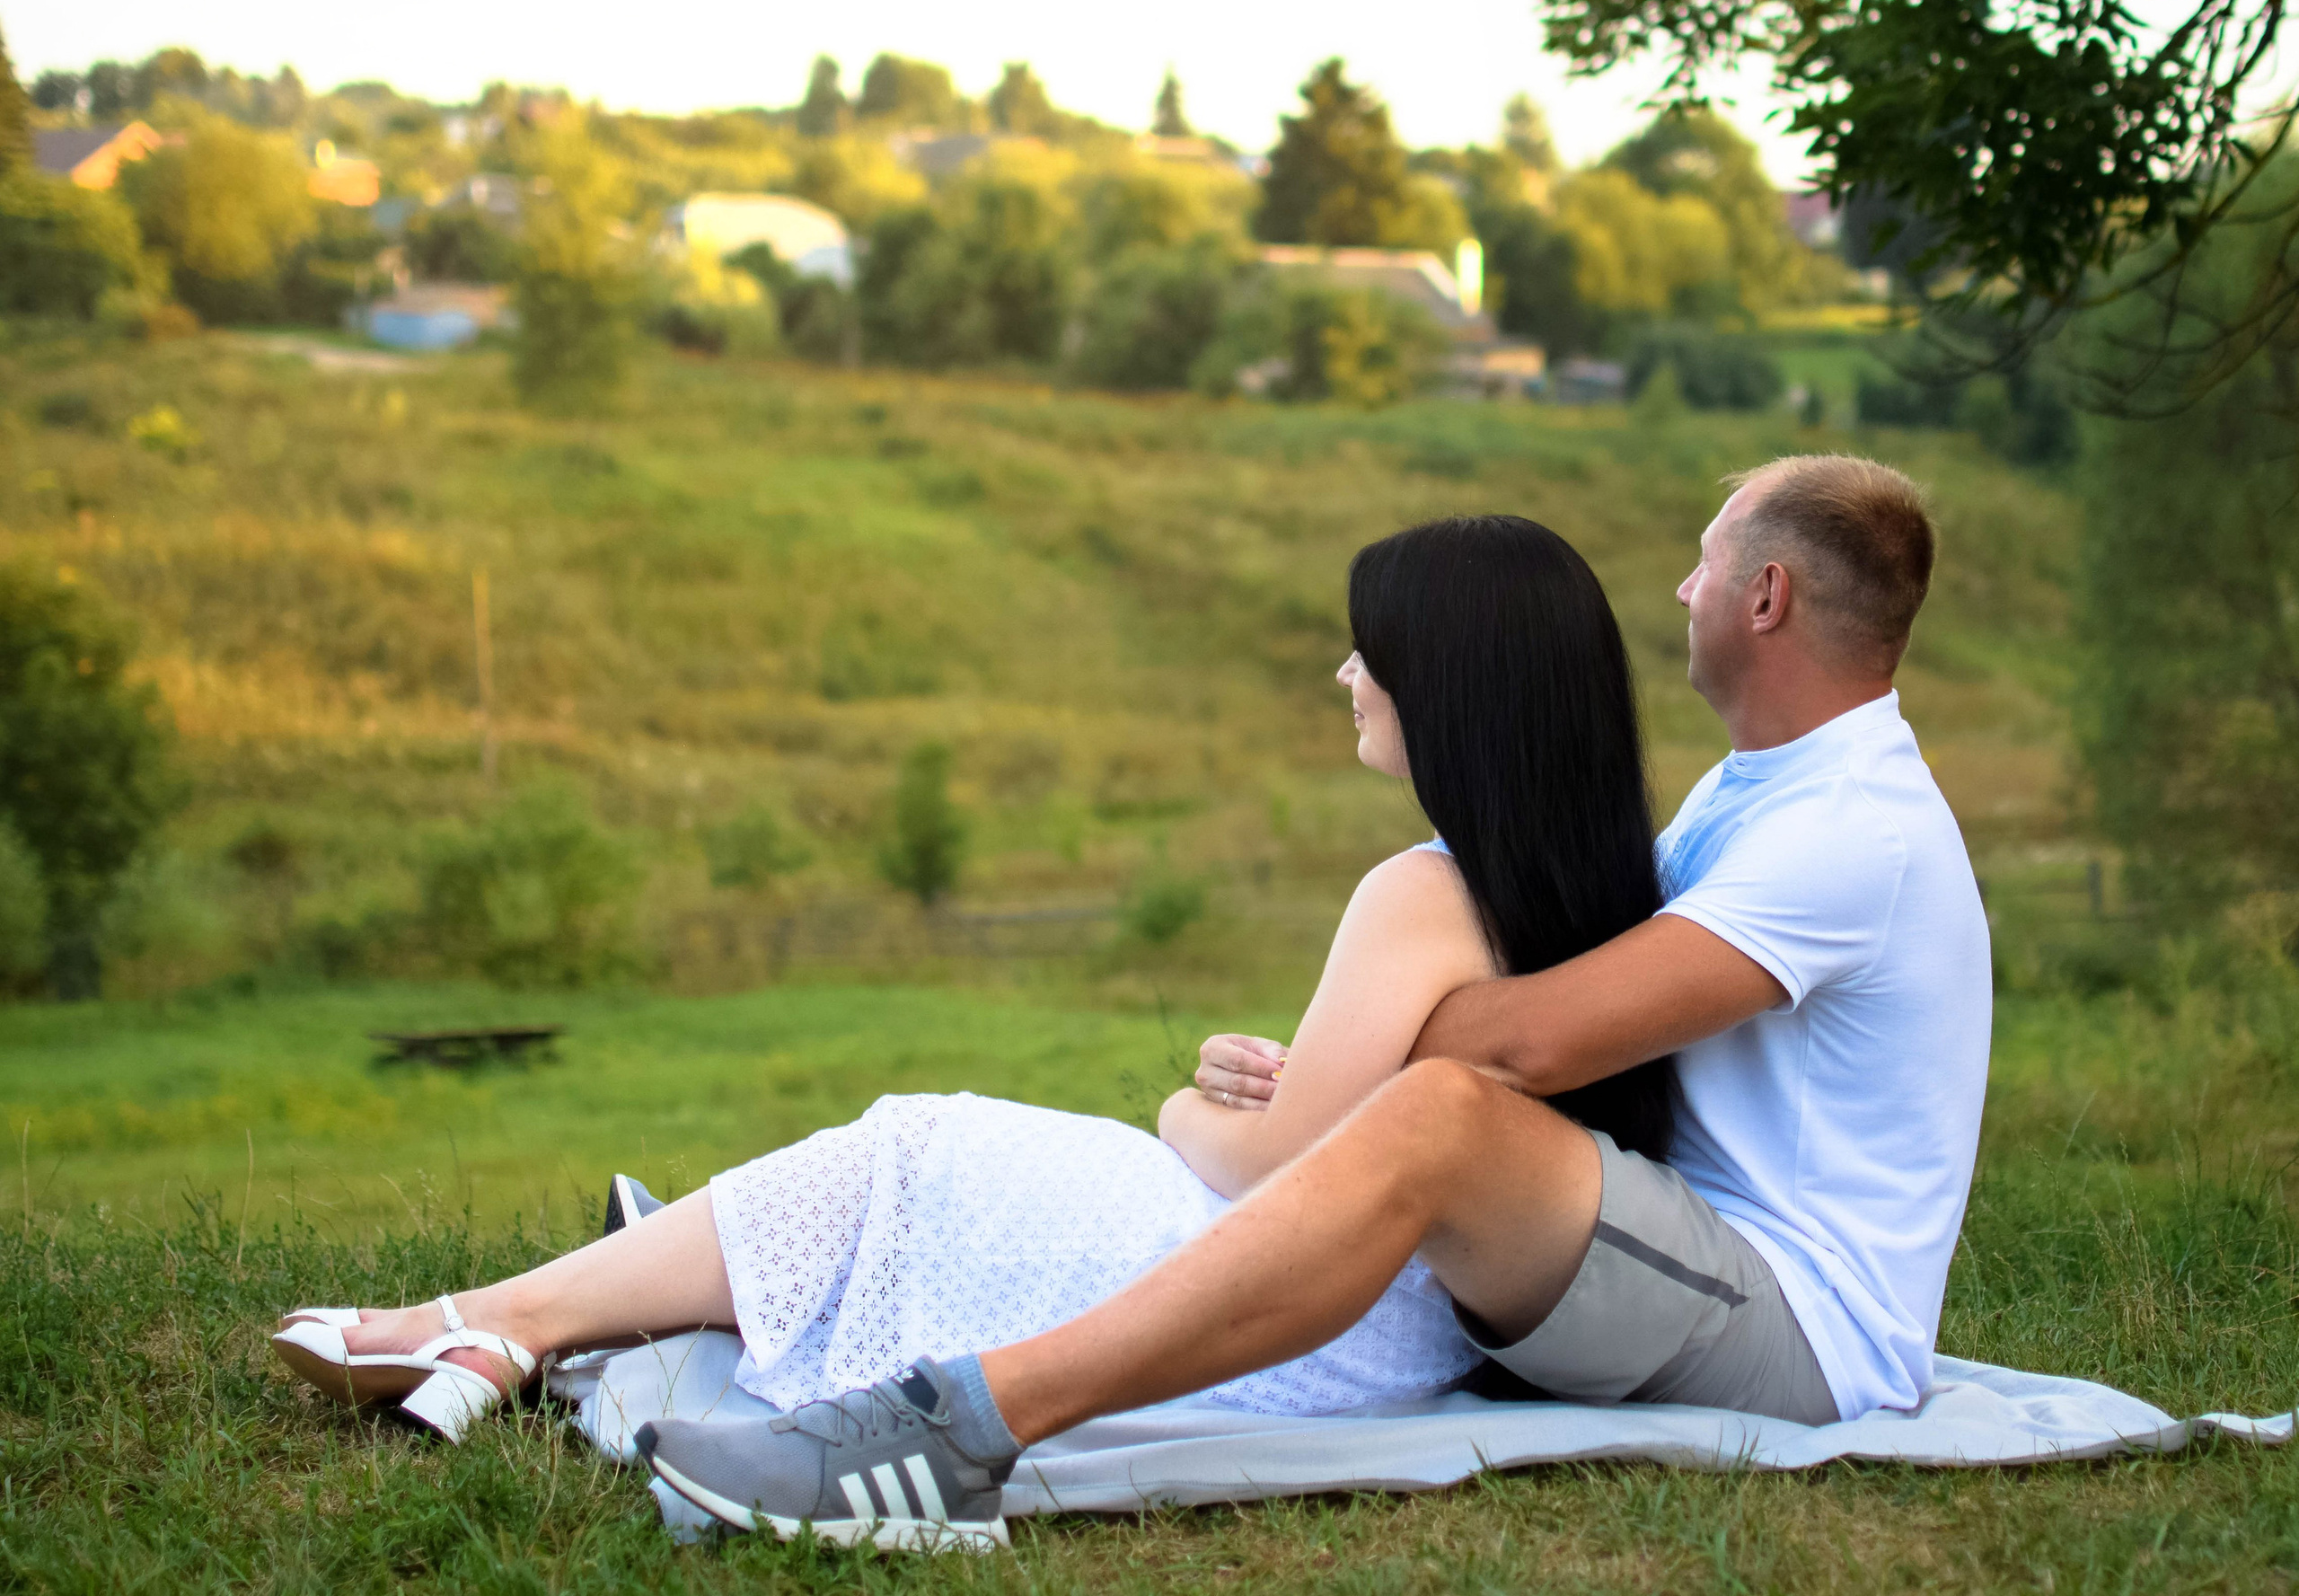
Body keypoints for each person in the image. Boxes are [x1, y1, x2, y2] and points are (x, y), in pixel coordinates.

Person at [633, 452, 1994, 1553]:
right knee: (1431, 1111)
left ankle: (959, 1428)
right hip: (1682, 1247)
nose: (1676, 585)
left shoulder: (1851, 829)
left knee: (1449, 1110)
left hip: (1806, 1331)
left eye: (1701, 562)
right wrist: (1344, 1075)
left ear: (1764, 599)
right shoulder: (1760, 791)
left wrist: (1367, 1071)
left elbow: (1527, 1037)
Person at [270, 514, 1680, 1549]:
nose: (1343, 673)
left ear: (1454, 683)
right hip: (1392, 1325)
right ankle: (510, 1326)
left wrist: (1189, 1111)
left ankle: (490, 1324)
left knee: (925, 1148)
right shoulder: (1589, 885)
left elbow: (1263, 1174)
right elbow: (1375, 1115)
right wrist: (1286, 1086)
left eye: (1373, 649)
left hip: (1308, 1316)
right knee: (929, 1155)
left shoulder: (1420, 890)